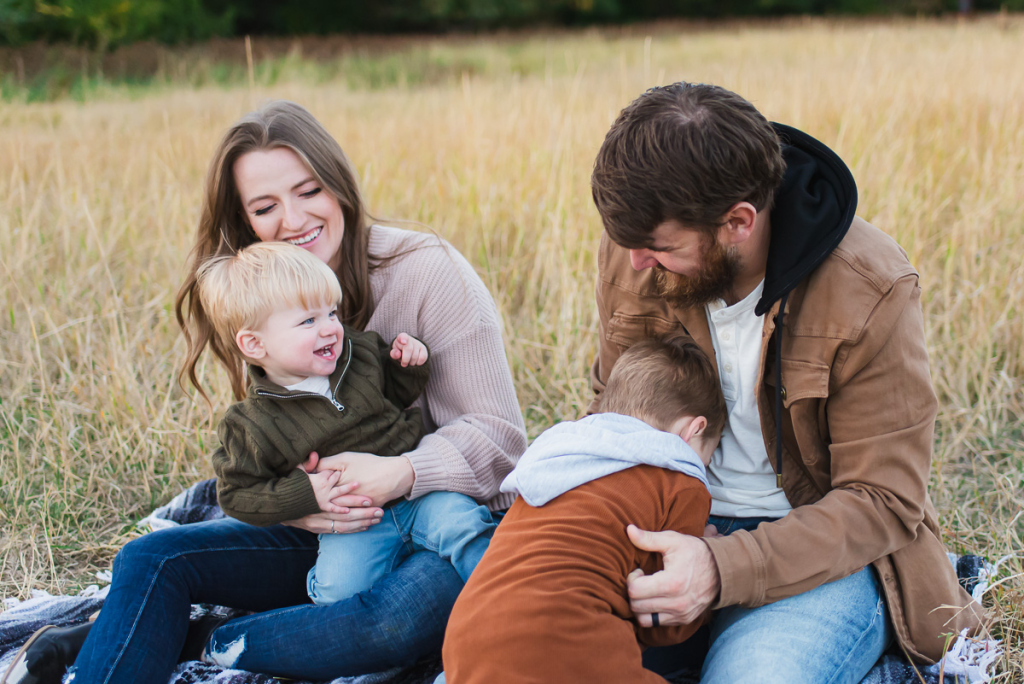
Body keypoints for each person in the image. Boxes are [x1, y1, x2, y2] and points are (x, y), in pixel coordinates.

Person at [2, 100, 526, 684]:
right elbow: (272, 450)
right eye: (265, 206)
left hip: (446, 518)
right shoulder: (258, 296)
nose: (293, 220)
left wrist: (400, 472)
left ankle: (201, 638)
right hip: (337, 530)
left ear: (339, 187)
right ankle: (112, 650)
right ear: (245, 220)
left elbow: (501, 440)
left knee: (390, 622)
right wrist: (304, 506)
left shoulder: (426, 270)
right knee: (152, 559)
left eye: (309, 191)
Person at [587, 82, 986, 683]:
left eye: (659, 248)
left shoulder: (870, 284)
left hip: (819, 553)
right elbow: (610, 411)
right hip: (662, 524)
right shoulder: (635, 246)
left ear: (738, 222)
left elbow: (883, 500)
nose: (637, 262)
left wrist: (719, 567)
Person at [195, 242, 495, 604]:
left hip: (419, 495)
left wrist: (407, 364)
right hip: (355, 525)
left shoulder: (359, 353)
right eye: (308, 321)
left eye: (332, 313)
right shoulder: (251, 424)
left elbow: (395, 396)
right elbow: (236, 494)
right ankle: (313, 593)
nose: (330, 329)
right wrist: (304, 493)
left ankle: (503, 598)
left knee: (465, 527)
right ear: (255, 344)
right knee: (338, 592)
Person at [441, 335, 727, 684]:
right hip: (564, 641)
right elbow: (665, 619)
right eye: (707, 456)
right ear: (694, 430)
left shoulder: (556, 457)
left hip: (466, 636)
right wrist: (711, 554)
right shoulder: (680, 480)